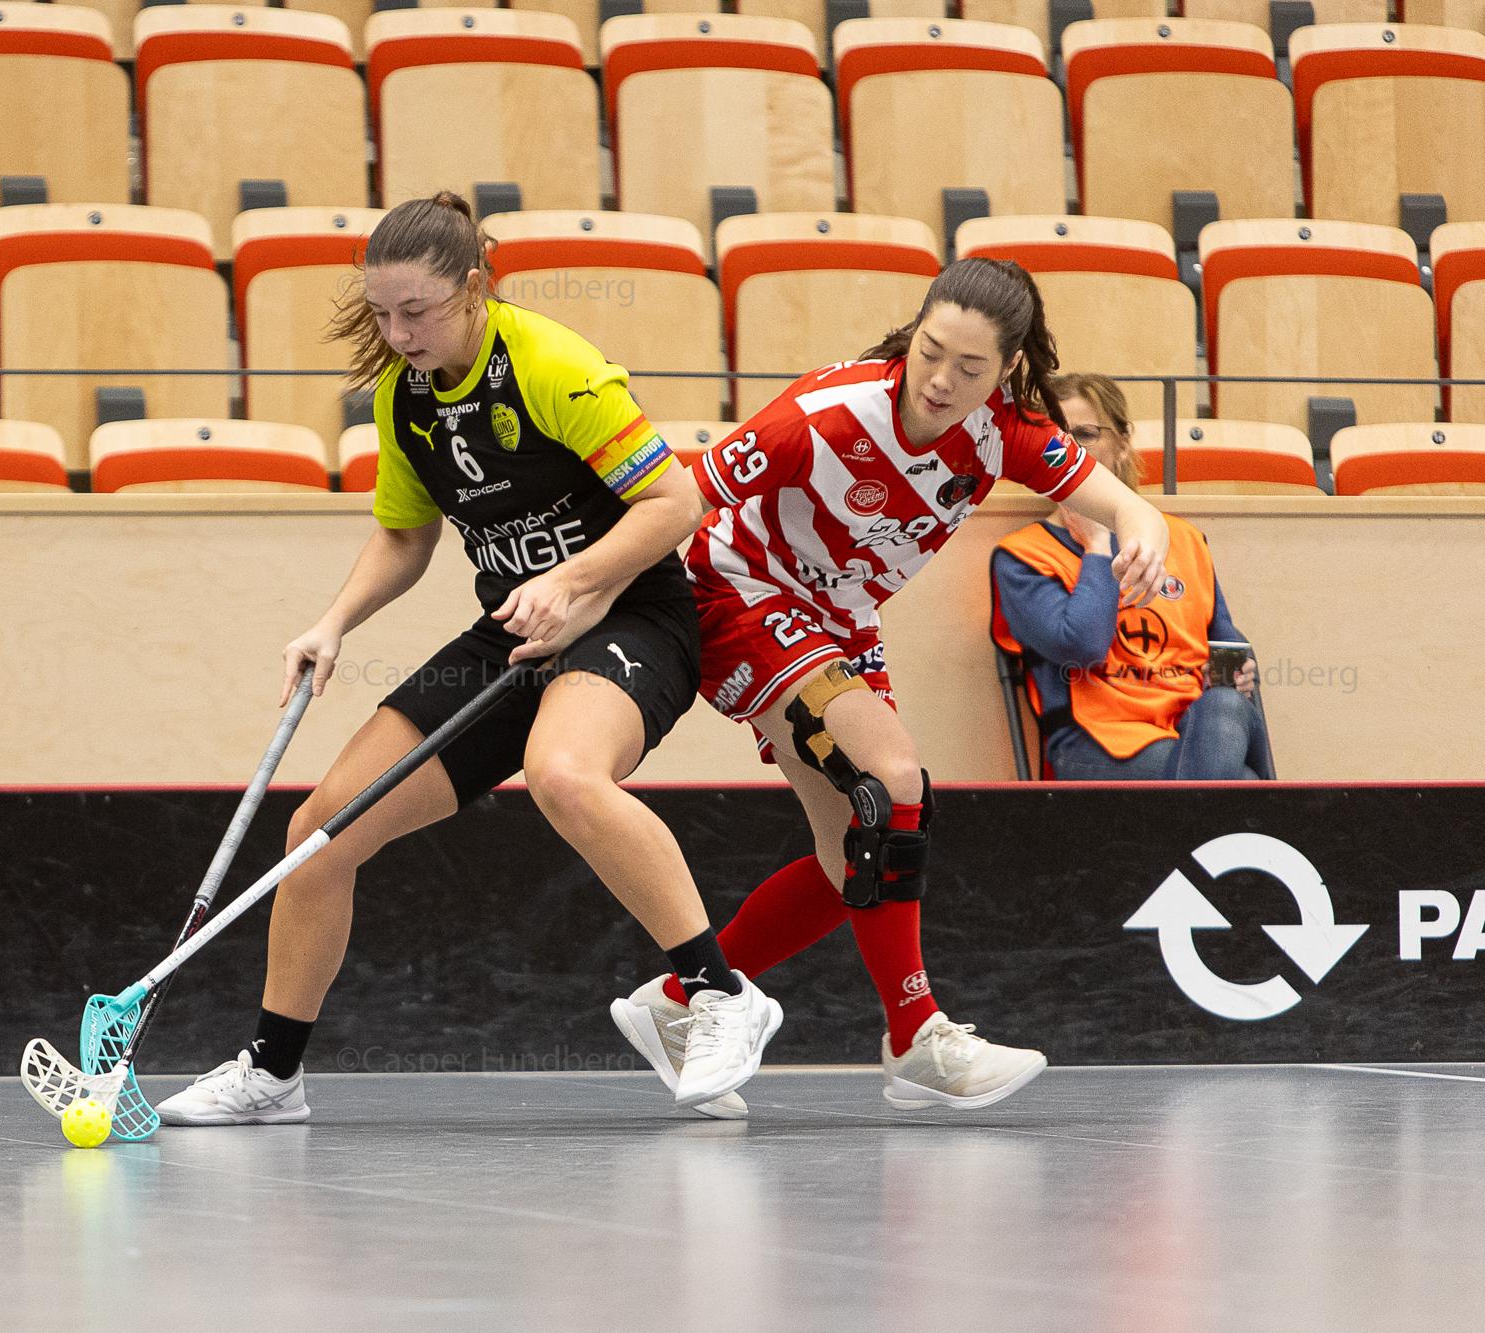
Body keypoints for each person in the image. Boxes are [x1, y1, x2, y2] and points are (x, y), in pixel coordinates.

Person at [155, 193, 780, 1125]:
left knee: (562, 773)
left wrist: (573, 581)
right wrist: (333, 622)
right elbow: (405, 538)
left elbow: (674, 504)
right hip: (515, 632)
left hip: (630, 614)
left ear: (476, 287)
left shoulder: (554, 367)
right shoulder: (403, 402)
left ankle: (721, 994)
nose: (398, 334)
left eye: (417, 311)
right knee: (321, 833)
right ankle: (272, 1074)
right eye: (381, 313)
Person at [609, 260, 1172, 1111]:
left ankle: (680, 999)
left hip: (842, 619)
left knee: (858, 856)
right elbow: (679, 501)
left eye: (970, 368)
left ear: (1007, 371)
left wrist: (1142, 522)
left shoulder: (1003, 432)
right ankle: (915, 1037)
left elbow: (1123, 502)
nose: (941, 381)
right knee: (893, 776)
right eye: (930, 351)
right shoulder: (824, 413)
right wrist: (579, 588)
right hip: (740, 589)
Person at [989, 372, 1270, 780]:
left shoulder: (1184, 539)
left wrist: (1237, 673)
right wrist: (1097, 545)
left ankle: (1202, 814)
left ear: (1122, 443)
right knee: (1242, 784)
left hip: (1190, 728)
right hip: (1097, 744)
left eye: (1085, 434)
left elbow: (1227, 643)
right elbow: (1083, 646)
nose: (1071, 449)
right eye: (1058, 438)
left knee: (1227, 705)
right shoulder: (1022, 556)